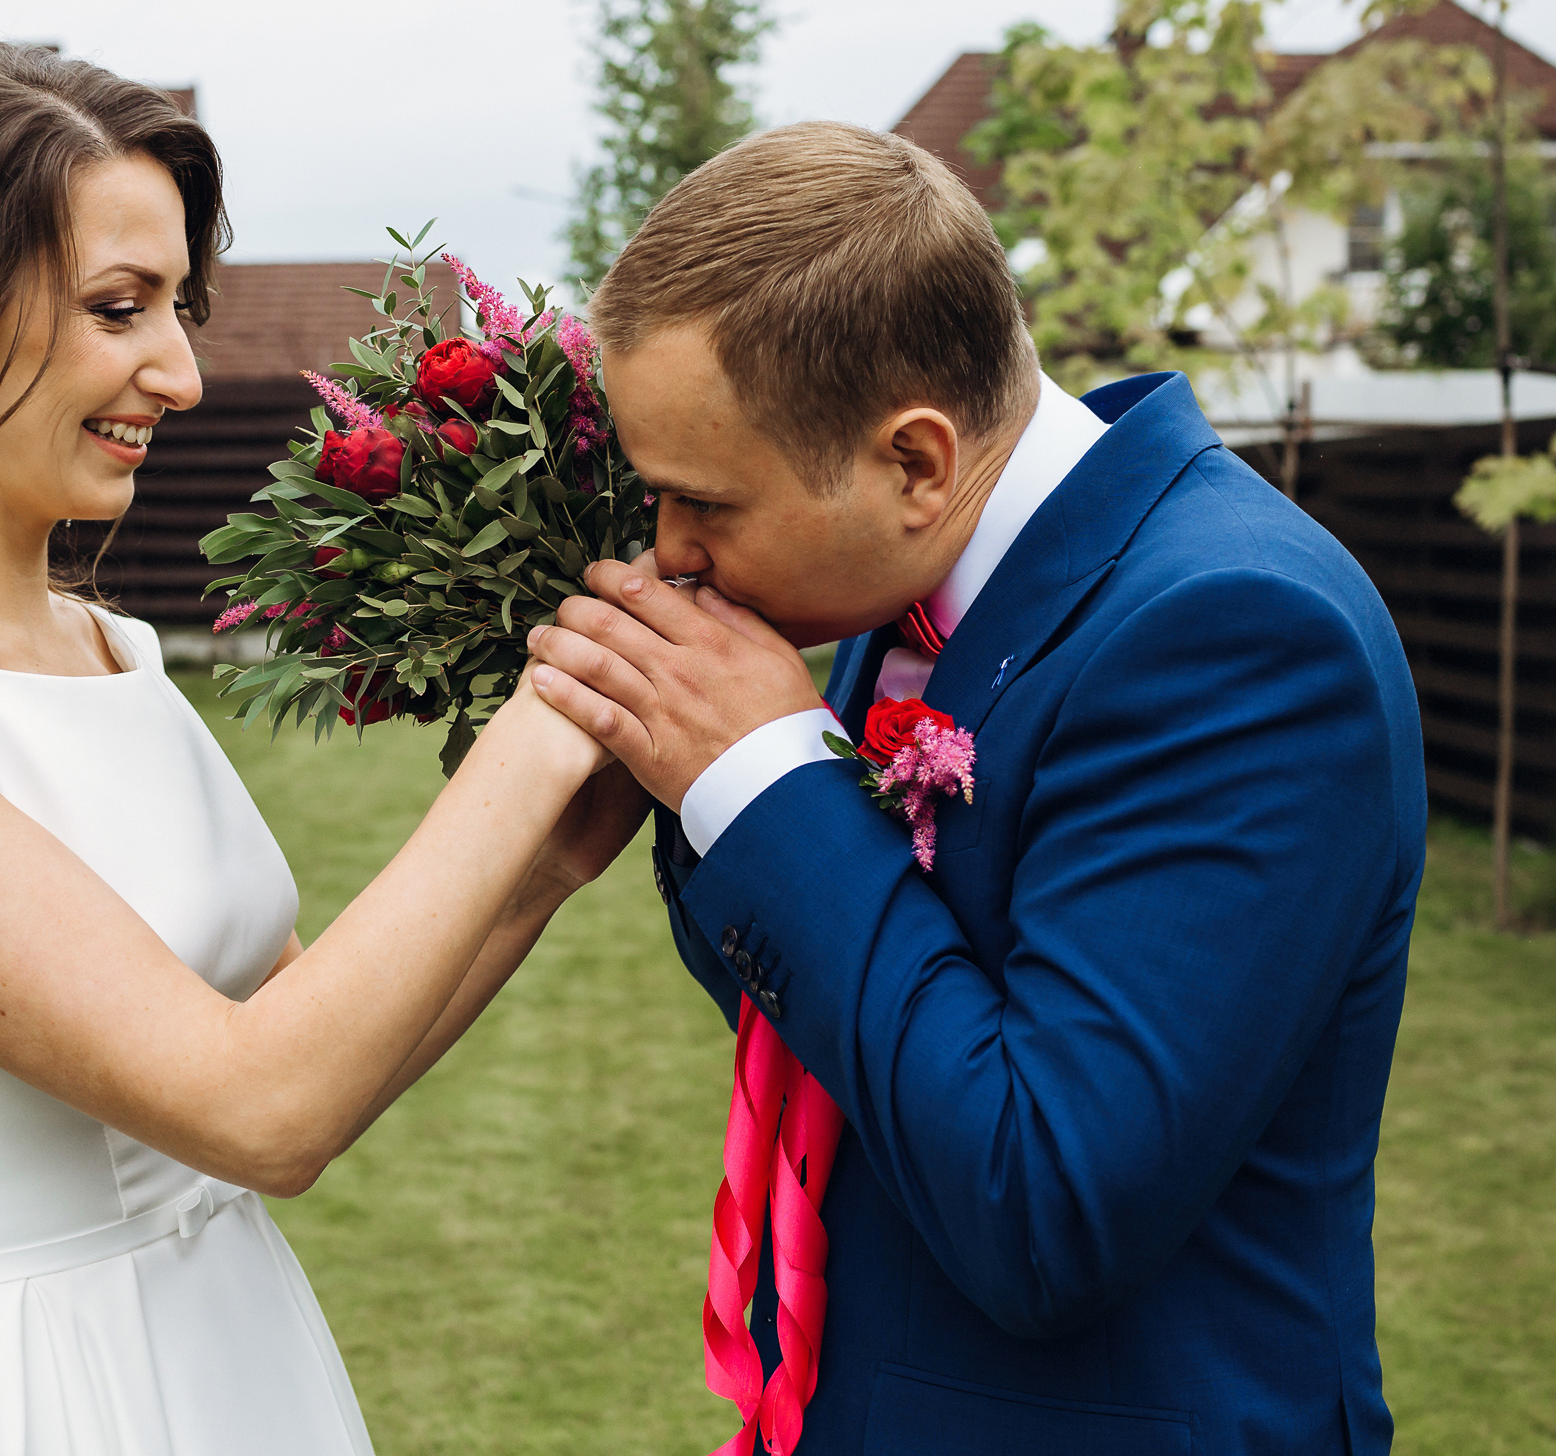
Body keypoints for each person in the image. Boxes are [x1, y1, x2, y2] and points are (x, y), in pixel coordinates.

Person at [0, 34, 643, 1456]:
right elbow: (261, 1111)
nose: (184, 374)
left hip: (226, 1342)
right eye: (119, 308)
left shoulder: (113, 651)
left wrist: (543, 868)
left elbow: (307, 1042)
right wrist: (547, 712)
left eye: (179, 308)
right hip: (32, 1393)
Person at [527, 121, 1426, 1455]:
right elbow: (834, 1021)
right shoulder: (917, 582)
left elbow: (1044, 1207)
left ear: (915, 461)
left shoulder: (1240, 636)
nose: (672, 553)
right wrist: (711, 789)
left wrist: (762, 782)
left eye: (704, 503)